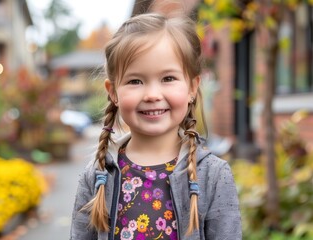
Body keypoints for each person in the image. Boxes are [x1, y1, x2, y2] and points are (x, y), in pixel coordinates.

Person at [70, 12, 242, 240]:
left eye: (168, 78)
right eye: (135, 81)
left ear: (192, 87)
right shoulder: (96, 175)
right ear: (113, 93)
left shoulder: (213, 175)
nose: (152, 95)